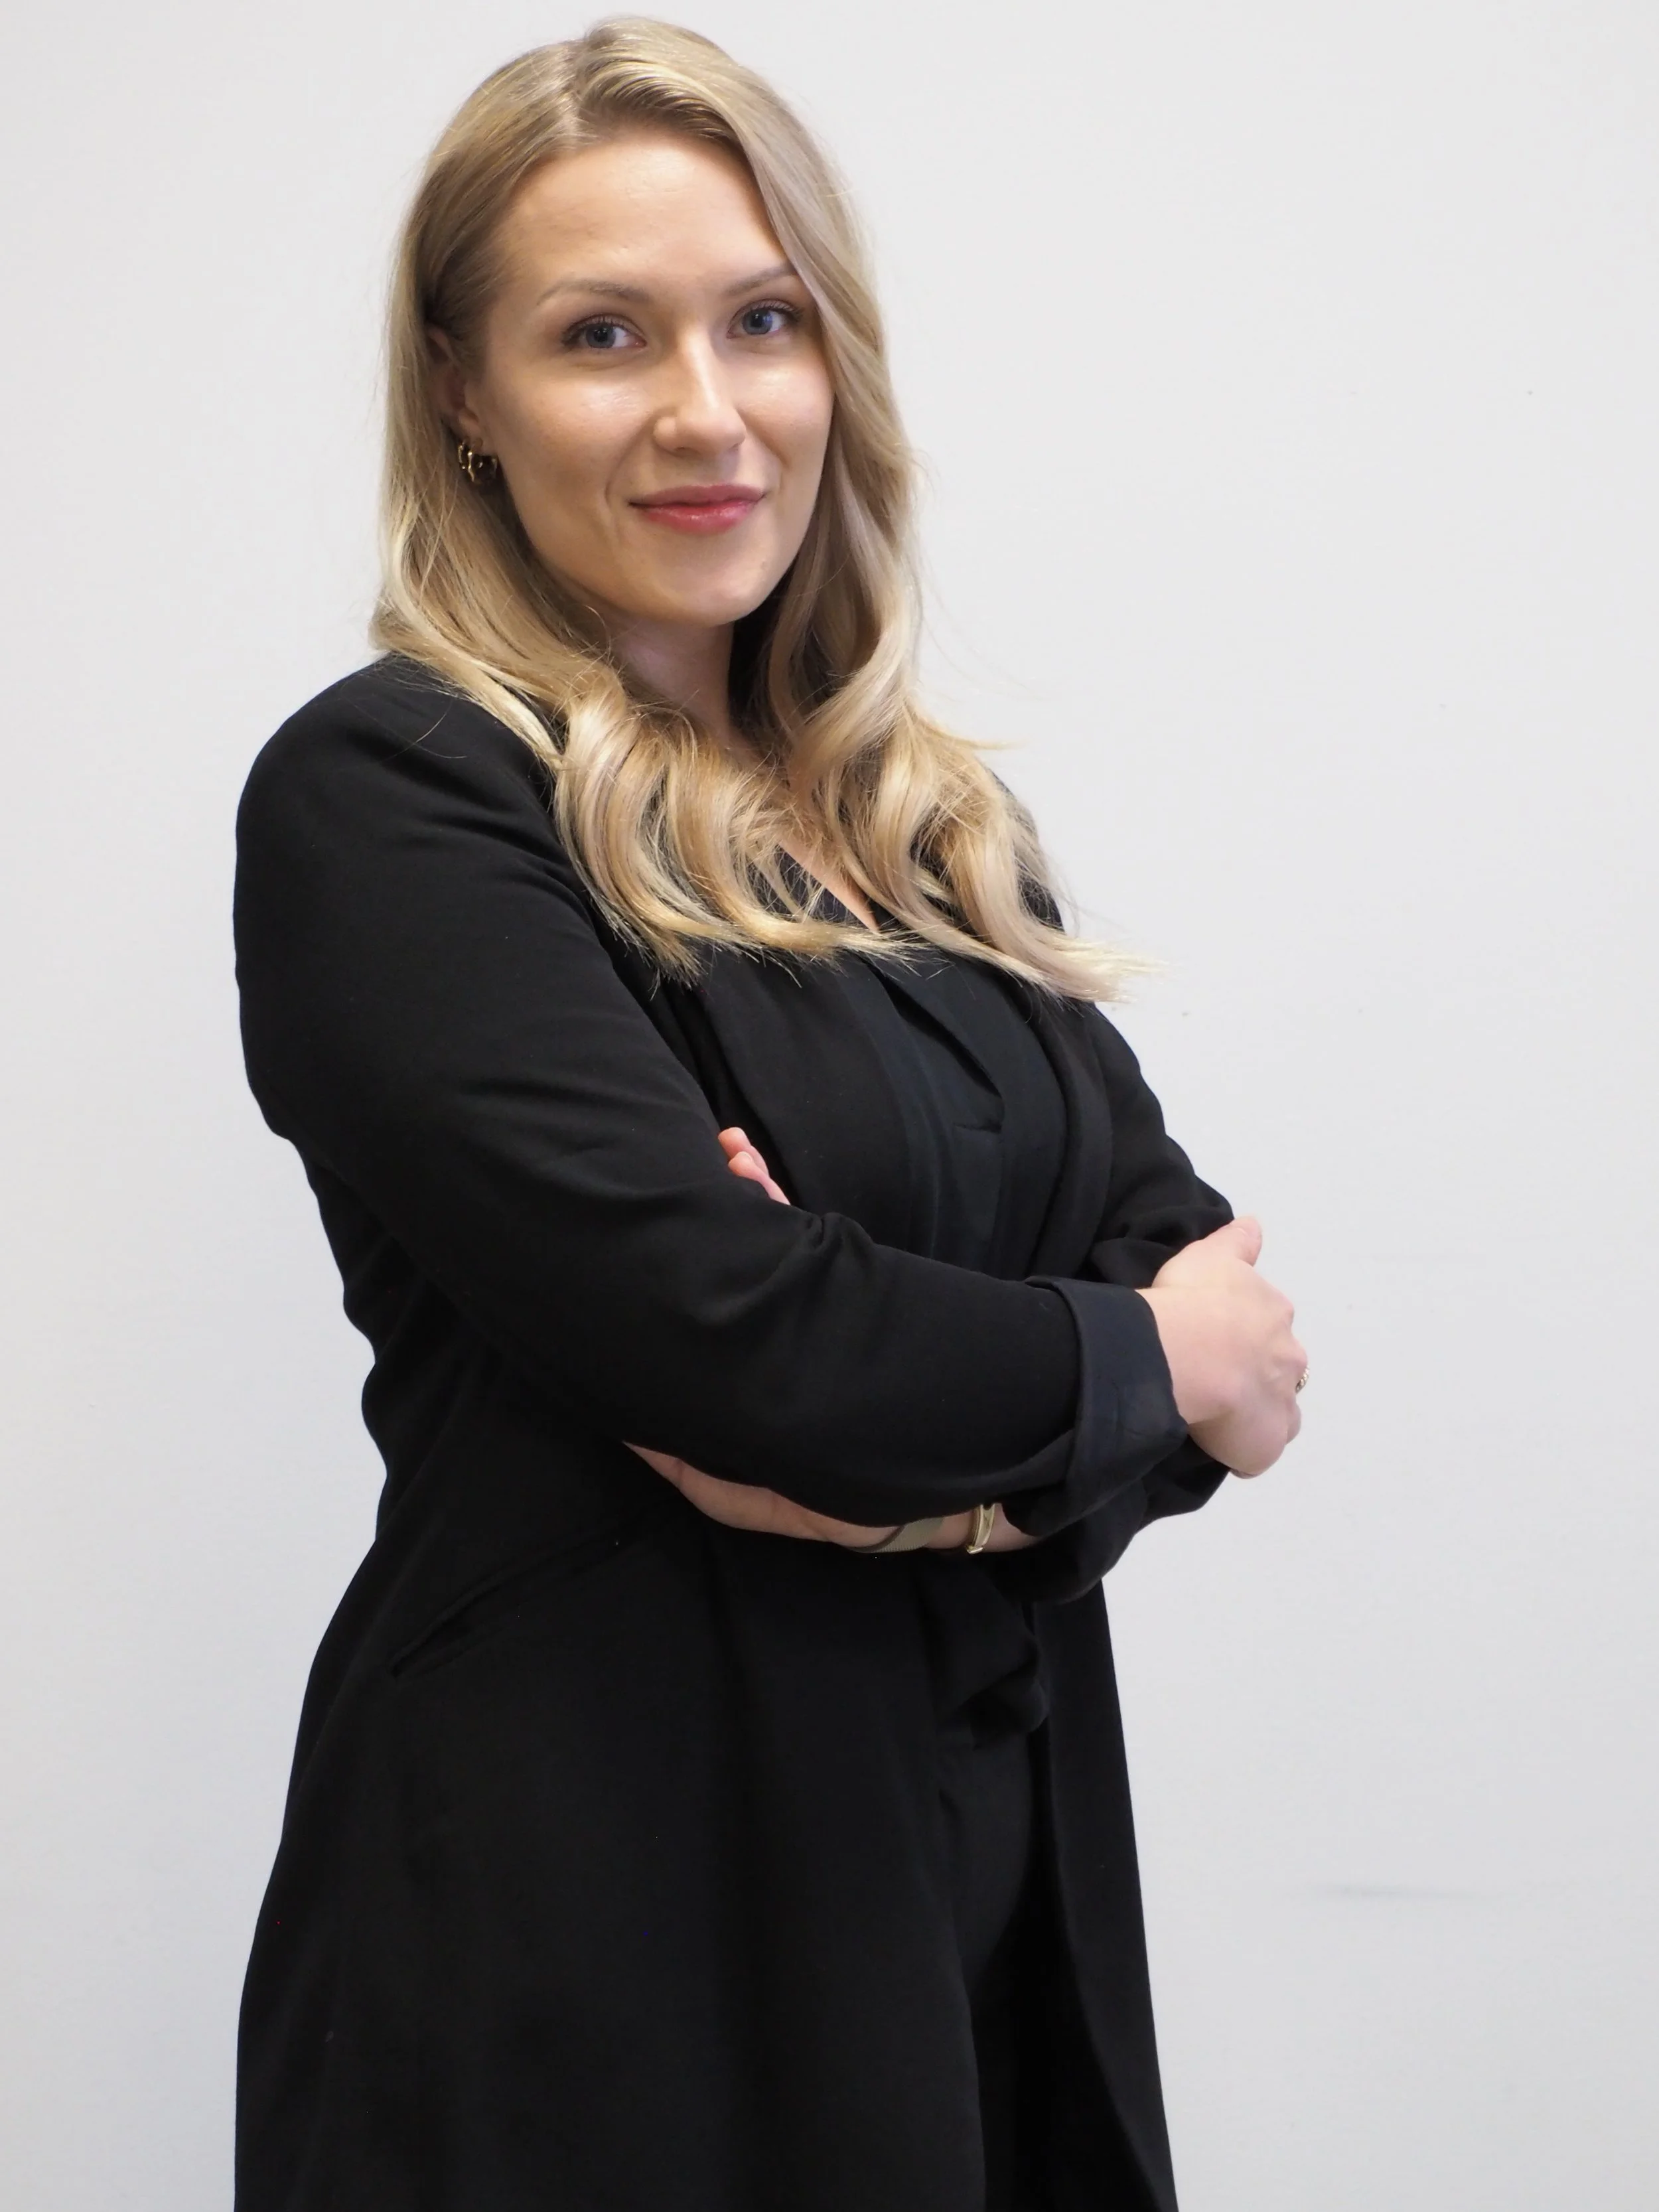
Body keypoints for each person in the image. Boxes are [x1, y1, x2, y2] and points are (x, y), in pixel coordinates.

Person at [232, 21, 1305, 2211]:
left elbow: (1171, 1278)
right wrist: (1100, 1371)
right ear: (461, 389)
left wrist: (940, 1446)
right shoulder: (401, 796)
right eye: (599, 335)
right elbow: (747, 1337)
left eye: (762, 321)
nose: (704, 413)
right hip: (598, 1924)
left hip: (985, 1898)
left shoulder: (913, 824)